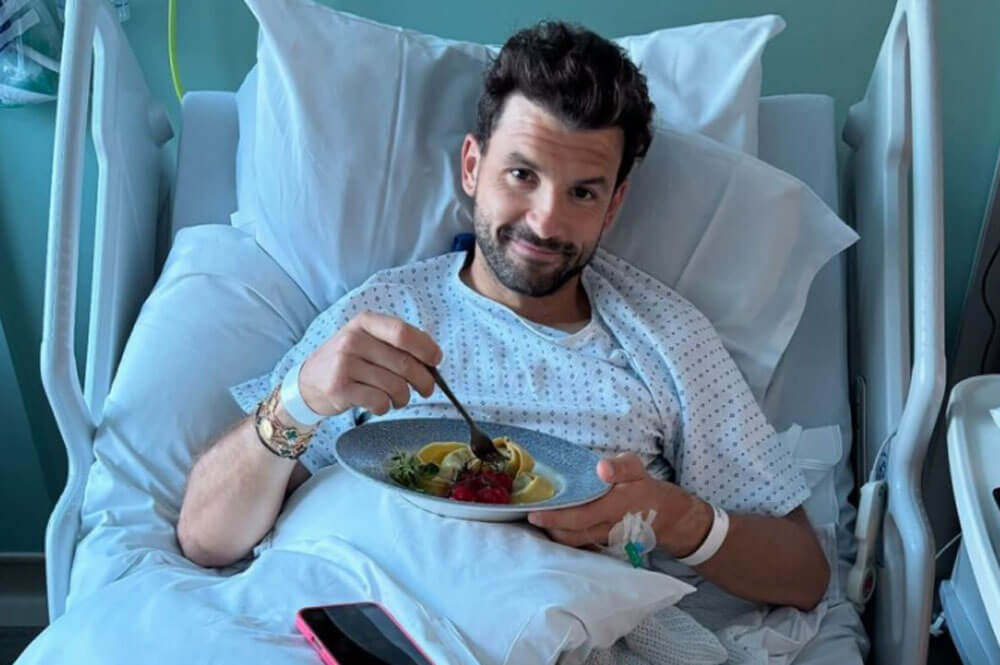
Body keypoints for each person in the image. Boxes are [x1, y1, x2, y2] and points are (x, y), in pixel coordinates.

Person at [177, 20, 829, 612]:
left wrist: (680, 520)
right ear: (472, 166)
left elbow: (805, 574)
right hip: (372, 611)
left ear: (614, 204)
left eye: (582, 192)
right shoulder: (382, 314)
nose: (546, 221)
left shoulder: (666, 339)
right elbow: (206, 537)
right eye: (522, 174)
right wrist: (296, 402)